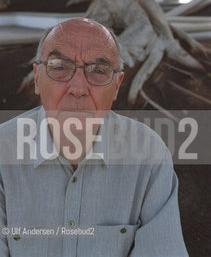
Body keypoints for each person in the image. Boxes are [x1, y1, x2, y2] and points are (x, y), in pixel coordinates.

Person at [0, 18, 188, 256]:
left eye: (98, 71)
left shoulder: (148, 154)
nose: (78, 88)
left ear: (117, 85)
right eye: (59, 67)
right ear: (37, 78)